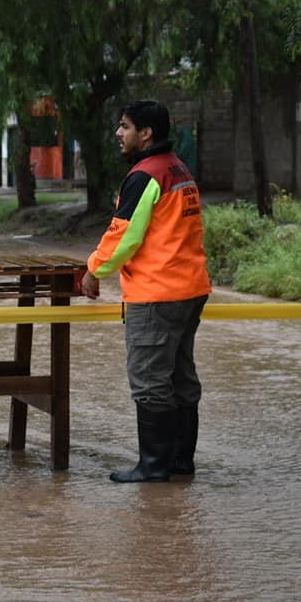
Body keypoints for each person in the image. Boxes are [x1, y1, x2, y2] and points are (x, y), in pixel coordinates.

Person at [82, 100, 212, 482]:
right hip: (190, 288)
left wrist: (93, 270)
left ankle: (153, 467)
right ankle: (180, 463)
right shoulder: (178, 168)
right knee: (180, 377)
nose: (119, 134)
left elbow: (124, 236)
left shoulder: (146, 175)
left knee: (150, 379)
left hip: (157, 293)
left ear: (146, 133)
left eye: (124, 127)